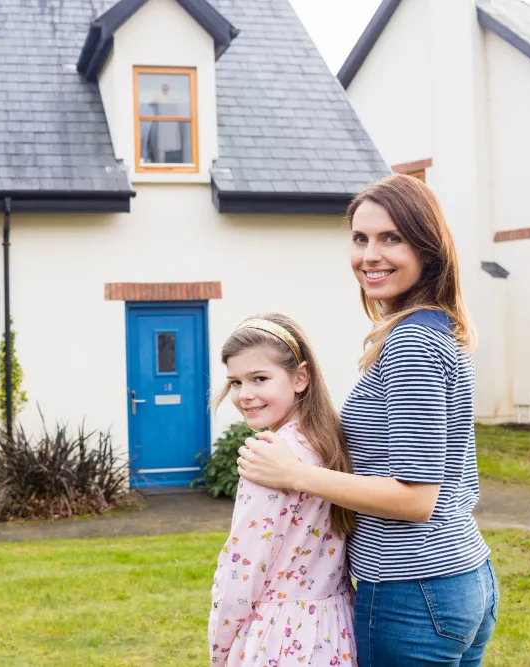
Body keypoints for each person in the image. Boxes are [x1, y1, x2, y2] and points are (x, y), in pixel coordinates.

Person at [235, 175, 499, 666]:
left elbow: (416, 498)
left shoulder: (412, 343)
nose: (369, 255)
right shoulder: (434, 327)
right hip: (459, 577)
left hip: (411, 590)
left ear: (428, 248)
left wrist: (295, 475)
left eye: (391, 238)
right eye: (360, 239)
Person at [208, 314, 357, 666]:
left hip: (278, 637)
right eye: (235, 382)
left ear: (300, 377)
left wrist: (220, 648)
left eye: (259, 378)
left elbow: (240, 573)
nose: (245, 395)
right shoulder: (328, 441)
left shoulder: (268, 458)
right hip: (335, 628)